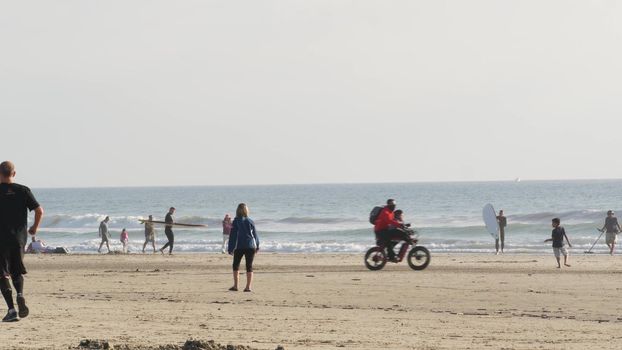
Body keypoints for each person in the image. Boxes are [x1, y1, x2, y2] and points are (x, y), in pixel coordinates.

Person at [0, 161, 44, 322]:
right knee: (16, 271)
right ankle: (20, 294)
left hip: (1, 240)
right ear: (14, 173)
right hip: (19, 239)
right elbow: (39, 211)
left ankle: (11, 310)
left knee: (2, 274)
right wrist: (34, 228)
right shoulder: (23, 190)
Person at [227, 203, 259, 292]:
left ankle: (236, 286)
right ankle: (248, 287)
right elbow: (255, 235)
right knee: (249, 266)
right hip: (250, 246)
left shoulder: (236, 221)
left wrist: (230, 248)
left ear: (237, 211)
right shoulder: (250, 221)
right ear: (246, 211)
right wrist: (257, 245)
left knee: (235, 265)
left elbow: (233, 236)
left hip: (239, 246)